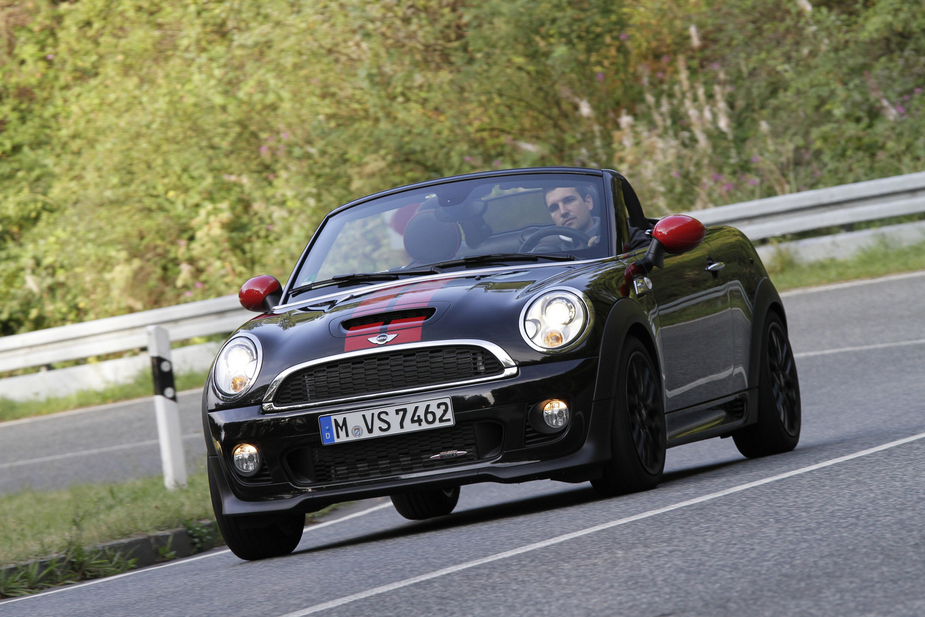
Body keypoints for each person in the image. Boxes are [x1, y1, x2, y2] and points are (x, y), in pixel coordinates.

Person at [538, 185, 648, 252]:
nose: (563, 212)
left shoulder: (624, 236)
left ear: (588, 202)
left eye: (569, 200)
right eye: (554, 208)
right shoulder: (552, 254)